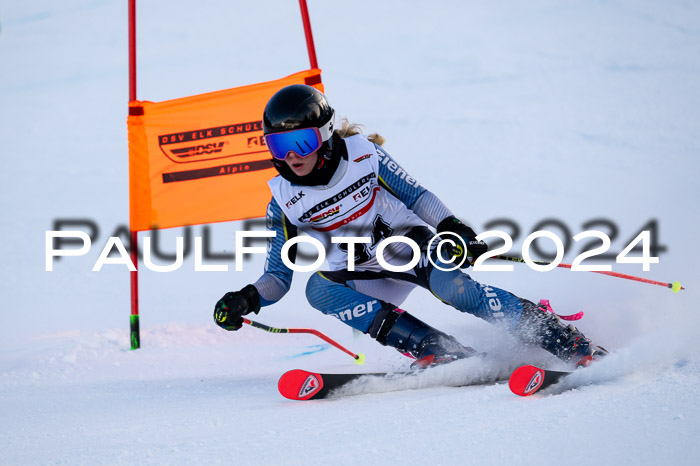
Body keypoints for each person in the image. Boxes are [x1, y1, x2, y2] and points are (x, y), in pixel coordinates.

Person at [213, 84, 607, 369]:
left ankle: (563, 339)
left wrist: (455, 228)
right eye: (279, 147)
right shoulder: (283, 199)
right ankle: (437, 348)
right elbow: (279, 277)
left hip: (409, 248)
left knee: (454, 289)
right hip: (364, 271)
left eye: (301, 142)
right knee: (318, 289)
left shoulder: (364, 156)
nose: (292, 157)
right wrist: (246, 298)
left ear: (326, 135)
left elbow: (416, 195)